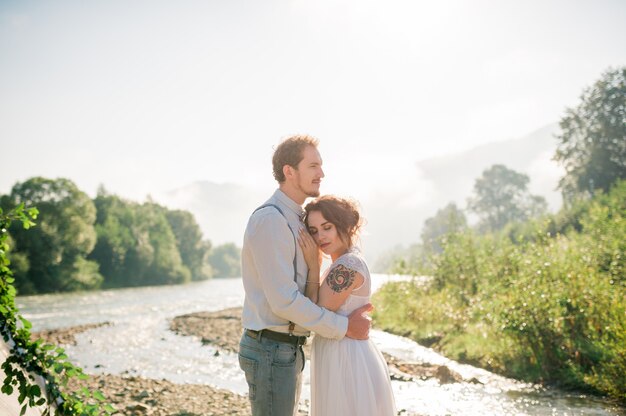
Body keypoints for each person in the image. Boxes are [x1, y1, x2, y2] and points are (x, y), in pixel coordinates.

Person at [238, 135, 373, 416]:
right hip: (271, 348)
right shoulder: (271, 219)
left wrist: (314, 266)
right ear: (289, 171)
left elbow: (305, 293)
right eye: (313, 166)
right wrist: (344, 327)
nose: (321, 173)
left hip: (287, 349)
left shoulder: (296, 218)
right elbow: (284, 302)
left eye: (321, 166)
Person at [298, 195, 397, 416]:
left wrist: (313, 264)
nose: (320, 236)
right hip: (339, 350)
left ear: (345, 226)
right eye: (313, 231)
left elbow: (316, 309)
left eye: (327, 227)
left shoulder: (348, 265)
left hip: (346, 357)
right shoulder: (342, 262)